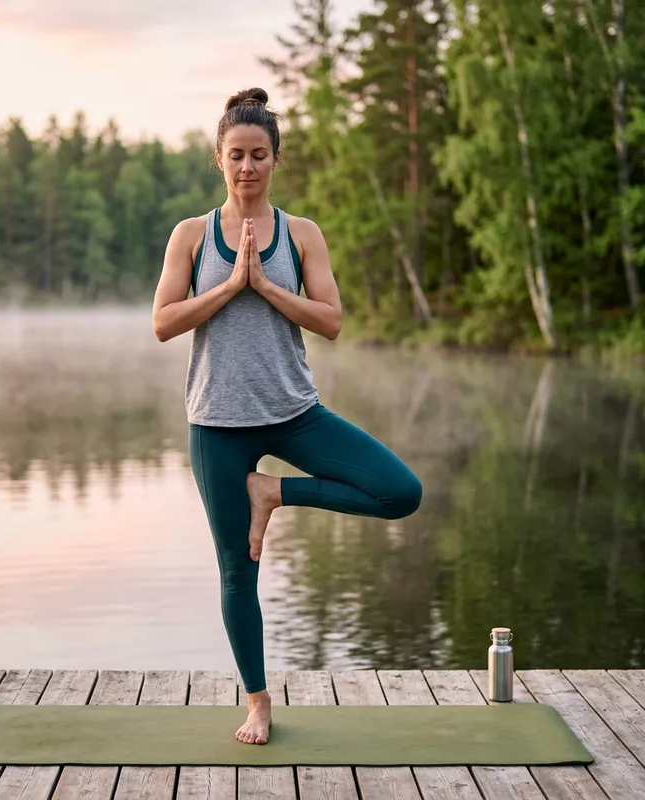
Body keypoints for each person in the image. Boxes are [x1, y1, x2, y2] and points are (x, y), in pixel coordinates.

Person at [152, 87, 422, 745]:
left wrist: (268, 286)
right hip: (216, 422)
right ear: (219, 159)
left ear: (276, 159)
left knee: (399, 492)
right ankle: (257, 703)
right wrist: (228, 286)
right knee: (237, 568)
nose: (248, 167)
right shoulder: (192, 235)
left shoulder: (302, 235)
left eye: (260, 155)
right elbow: (162, 323)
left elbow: (330, 321)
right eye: (237, 155)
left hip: (293, 413)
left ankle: (273, 492)